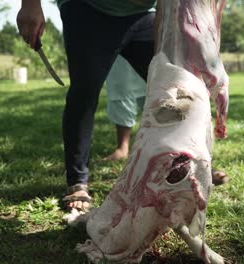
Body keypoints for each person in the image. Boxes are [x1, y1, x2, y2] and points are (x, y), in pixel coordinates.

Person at [17, 0, 157, 211]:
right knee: (85, 91)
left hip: (143, 14)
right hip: (87, 9)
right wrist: (30, 5)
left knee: (174, 87)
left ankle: (187, 164)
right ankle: (77, 181)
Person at [104, 55, 146, 161]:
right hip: (115, 46)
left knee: (152, 86)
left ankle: (156, 142)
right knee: (120, 85)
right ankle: (123, 147)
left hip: (144, 41)